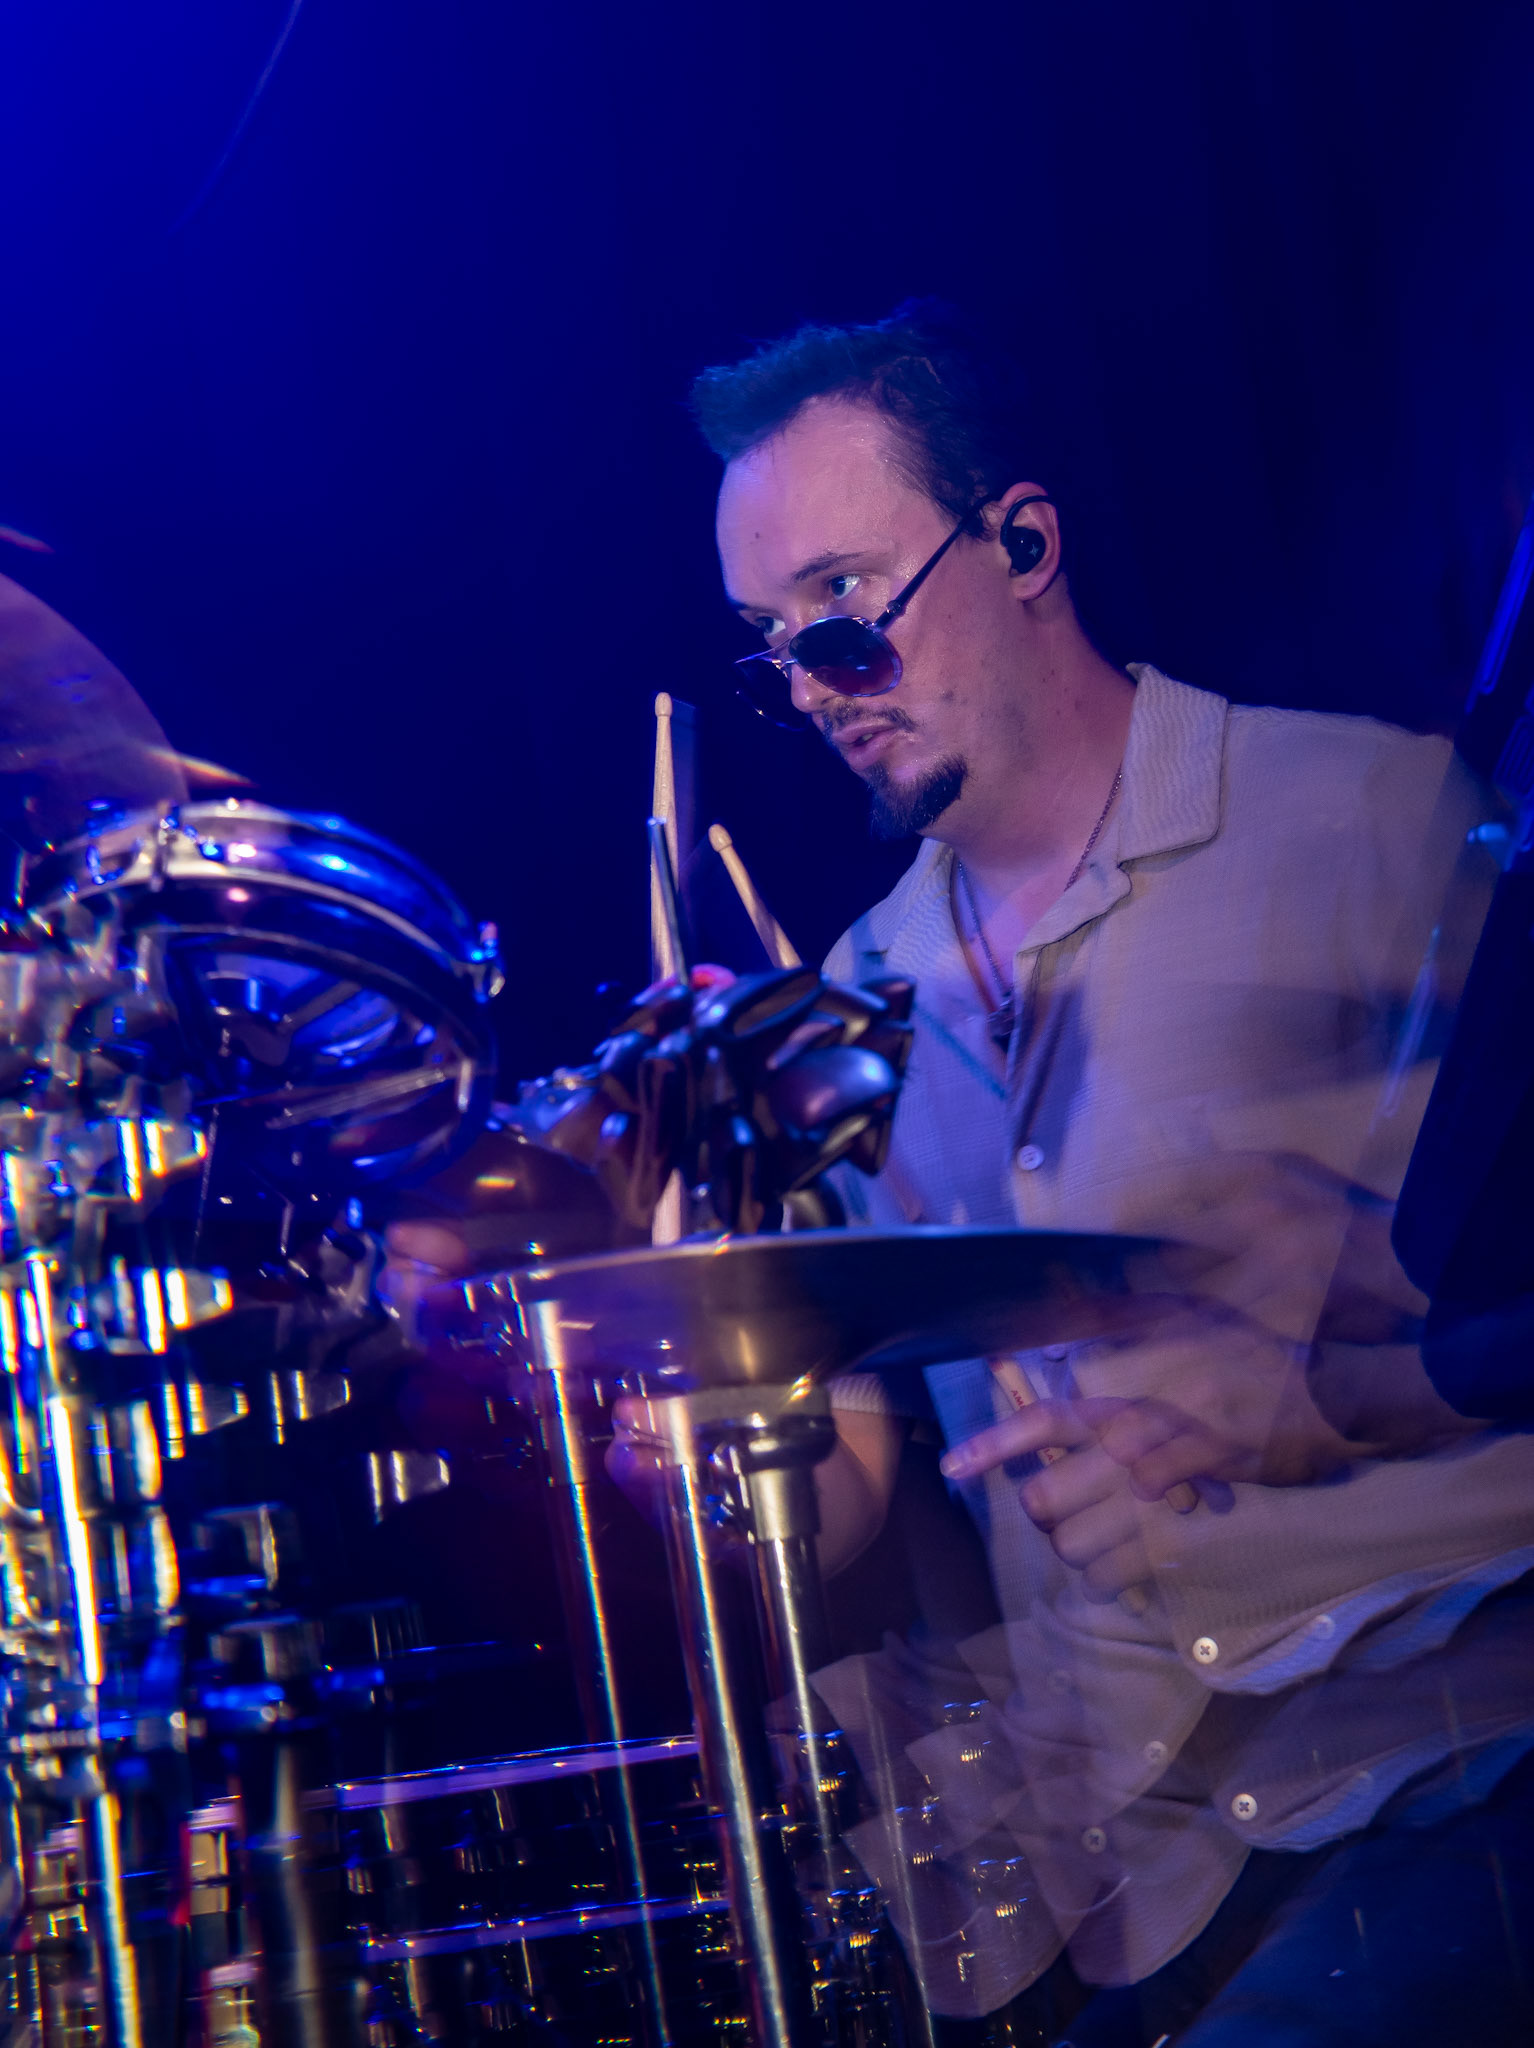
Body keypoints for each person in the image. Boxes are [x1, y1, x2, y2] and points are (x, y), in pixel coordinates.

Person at [672, 304, 1534, 2045]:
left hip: (1439, 1768)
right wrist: (689, 1416)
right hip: (1137, 1869)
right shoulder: (846, 1001)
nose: (813, 690)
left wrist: (1326, 1382)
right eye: (772, 650)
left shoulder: (1370, 816)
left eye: (841, 612)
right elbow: (846, 1489)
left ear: (1022, 545)